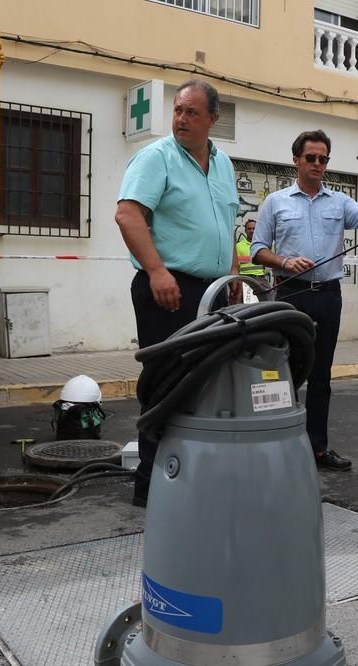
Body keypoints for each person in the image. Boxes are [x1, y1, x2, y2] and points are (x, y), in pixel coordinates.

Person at [115, 79, 240, 507]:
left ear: (212, 120)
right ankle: (153, 488)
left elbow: (227, 228)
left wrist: (234, 279)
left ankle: (195, 478)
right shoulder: (156, 158)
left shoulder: (224, 164)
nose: (181, 118)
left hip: (214, 292)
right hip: (168, 290)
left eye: (191, 112)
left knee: (208, 387)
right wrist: (156, 270)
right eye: (178, 110)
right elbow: (128, 214)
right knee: (166, 387)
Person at [251, 129, 358, 471]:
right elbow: (256, 250)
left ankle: (317, 449)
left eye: (322, 159)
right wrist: (284, 261)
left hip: (327, 296)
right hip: (289, 294)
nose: (316, 164)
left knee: (321, 375)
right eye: (310, 158)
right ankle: (281, 447)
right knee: (282, 371)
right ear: (296, 160)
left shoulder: (339, 202)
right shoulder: (275, 202)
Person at [236, 218, 267, 303]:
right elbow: (237, 265)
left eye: (254, 228)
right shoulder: (238, 246)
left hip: (261, 279)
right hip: (245, 279)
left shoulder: (263, 245)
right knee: (241, 303)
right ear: (245, 230)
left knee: (268, 302)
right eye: (249, 229)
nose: (252, 231)